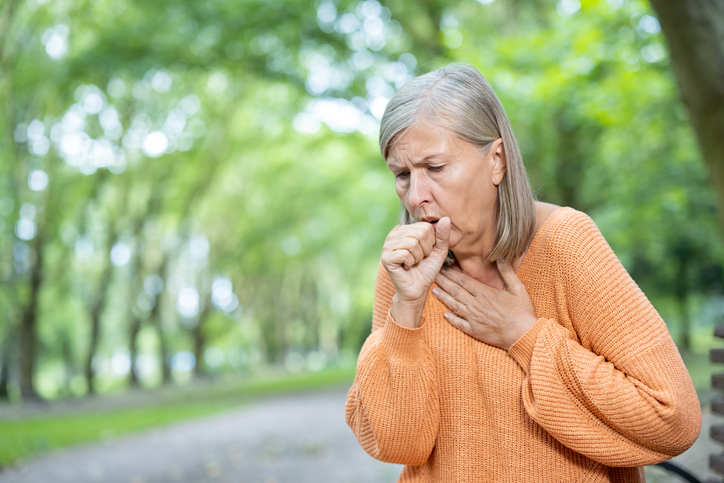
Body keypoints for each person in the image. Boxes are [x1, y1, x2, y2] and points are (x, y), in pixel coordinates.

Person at [345, 63, 701, 482]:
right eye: (403, 175)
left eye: (435, 168)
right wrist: (405, 310)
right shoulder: (403, 272)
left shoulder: (565, 243)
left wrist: (524, 337)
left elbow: (672, 418)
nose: (417, 196)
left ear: (496, 161)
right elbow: (398, 444)